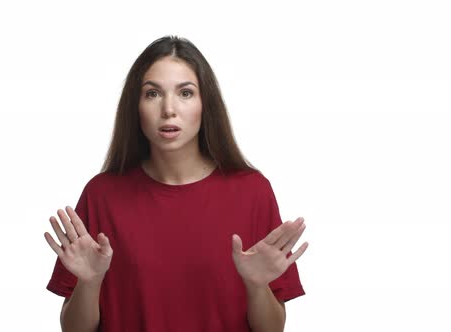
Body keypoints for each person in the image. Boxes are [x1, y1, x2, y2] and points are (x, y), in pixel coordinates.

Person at [44, 35, 309, 332]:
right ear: (136, 106)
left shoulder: (252, 192)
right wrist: (90, 284)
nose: (168, 109)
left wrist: (256, 286)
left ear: (205, 104)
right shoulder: (102, 194)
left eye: (185, 93)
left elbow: (272, 329)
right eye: (152, 94)